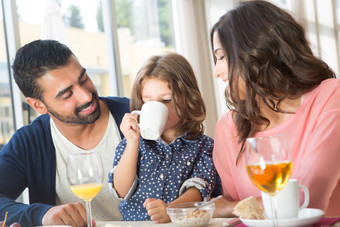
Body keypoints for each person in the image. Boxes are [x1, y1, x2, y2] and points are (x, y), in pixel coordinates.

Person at [211, 0, 340, 217]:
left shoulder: (330, 97)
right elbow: (240, 215)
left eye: (222, 57)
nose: (217, 71)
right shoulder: (229, 127)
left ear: (256, 51)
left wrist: (230, 207)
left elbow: (307, 199)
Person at [0, 40, 130, 226]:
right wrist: (41, 214)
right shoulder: (30, 141)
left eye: (83, 79)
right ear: (38, 105)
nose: (86, 95)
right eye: (67, 94)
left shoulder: (136, 115)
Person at [108, 53, 217, 223]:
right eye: (148, 101)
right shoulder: (131, 143)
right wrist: (132, 143)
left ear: (188, 99)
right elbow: (121, 191)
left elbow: (199, 189)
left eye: (166, 100)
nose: (157, 107)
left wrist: (171, 210)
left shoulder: (203, 146)